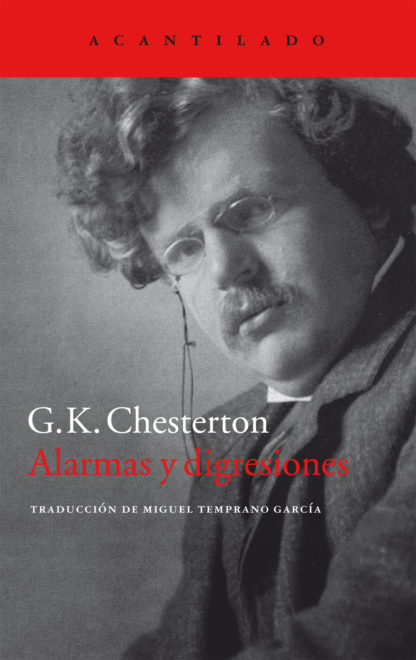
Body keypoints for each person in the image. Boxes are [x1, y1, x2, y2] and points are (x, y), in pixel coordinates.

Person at [58, 78, 415, 659]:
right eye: (185, 249)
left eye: (249, 212)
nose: (225, 270)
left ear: (367, 196)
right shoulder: (233, 442)